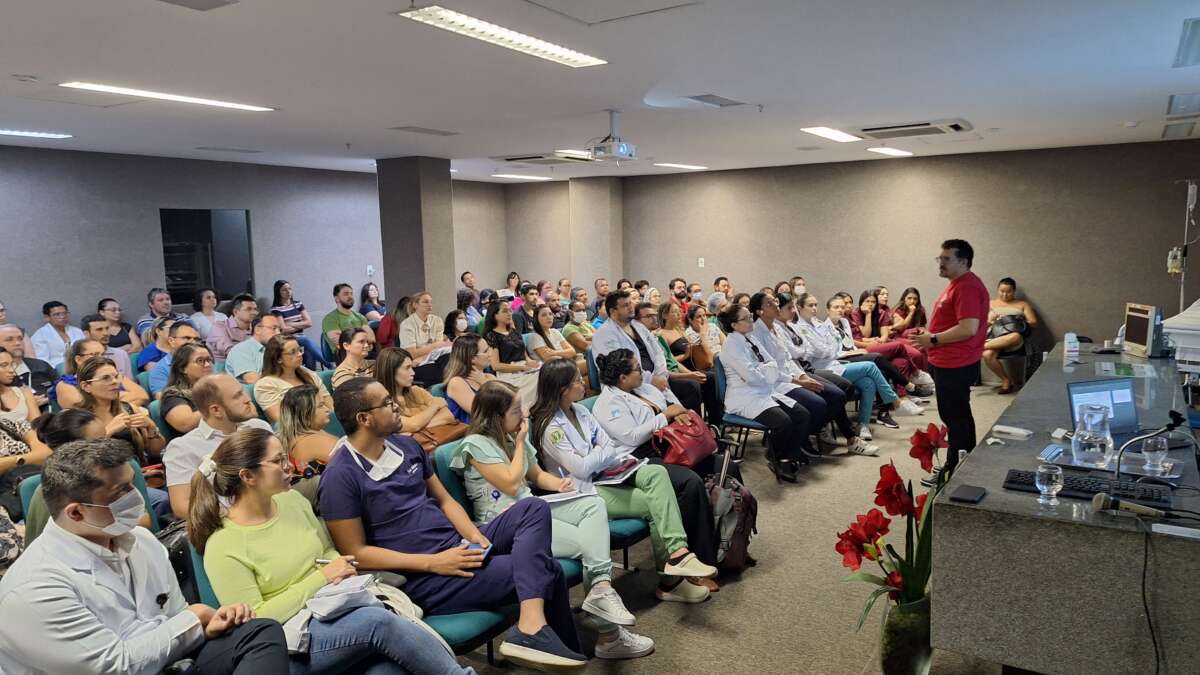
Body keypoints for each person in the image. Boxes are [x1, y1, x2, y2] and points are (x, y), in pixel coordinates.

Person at [318, 378, 587, 670]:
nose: (398, 407)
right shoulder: (340, 476)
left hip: (458, 545)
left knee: (532, 508)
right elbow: (356, 553)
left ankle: (532, 628)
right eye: (387, 403)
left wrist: (477, 538)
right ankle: (547, 642)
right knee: (548, 570)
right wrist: (433, 563)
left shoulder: (406, 446)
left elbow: (445, 501)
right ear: (364, 419)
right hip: (423, 574)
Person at [189, 427, 471, 675]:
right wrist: (322, 577)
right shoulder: (223, 545)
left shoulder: (291, 501)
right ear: (248, 476)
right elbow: (258, 623)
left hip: (333, 607)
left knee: (386, 668)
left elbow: (325, 550)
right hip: (286, 643)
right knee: (377, 623)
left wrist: (342, 569)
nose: (289, 466)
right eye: (277, 461)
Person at [0, 439, 290, 674]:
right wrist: (193, 620)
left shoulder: (140, 540)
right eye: (121, 491)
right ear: (76, 512)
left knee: (258, 632)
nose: (137, 496)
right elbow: (115, 666)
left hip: (166, 661)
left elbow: (175, 615)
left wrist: (205, 626)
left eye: (132, 483)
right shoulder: (33, 588)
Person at [451, 380, 654, 659]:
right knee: (589, 545)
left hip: (534, 507)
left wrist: (558, 485)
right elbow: (510, 484)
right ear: (496, 416)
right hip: (506, 523)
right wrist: (521, 441)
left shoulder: (510, 437)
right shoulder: (475, 445)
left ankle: (601, 592)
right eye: (515, 411)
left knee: (592, 504)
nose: (523, 416)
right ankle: (609, 633)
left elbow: (534, 476)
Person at [532, 358, 718, 604]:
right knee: (656, 504)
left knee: (657, 473)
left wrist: (596, 454)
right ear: (561, 389)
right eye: (577, 381)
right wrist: (598, 453)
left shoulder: (581, 410)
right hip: (583, 490)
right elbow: (581, 467)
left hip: (610, 471)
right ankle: (670, 580)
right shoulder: (549, 426)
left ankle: (678, 552)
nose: (583, 384)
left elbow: (606, 446)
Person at [592, 349, 733, 587]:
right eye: (637, 369)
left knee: (722, 465)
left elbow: (672, 406)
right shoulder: (608, 403)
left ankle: (730, 544)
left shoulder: (643, 388)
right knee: (690, 483)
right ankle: (697, 562)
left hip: (666, 444)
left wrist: (679, 415)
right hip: (637, 457)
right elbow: (631, 437)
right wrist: (665, 416)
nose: (643, 371)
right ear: (622, 378)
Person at [751, 293, 879, 457]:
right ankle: (802, 439)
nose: (776, 306)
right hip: (779, 382)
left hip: (797, 372)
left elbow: (791, 357)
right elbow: (774, 366)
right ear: (760, 311)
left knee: (838, 394)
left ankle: (830, 437)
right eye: (771, 304)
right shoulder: (757, 333)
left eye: (776, 303)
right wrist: (799, 379)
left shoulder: (775, 328)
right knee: (820, 403)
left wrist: (801, 376)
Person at [909, 239, 990, 473]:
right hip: (948, 361)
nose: (941, 263)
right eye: (940, 258)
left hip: (956, 363)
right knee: (958, 416)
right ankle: (964, 463)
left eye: (946, 259)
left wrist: (932, 339)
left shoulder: (967, 287)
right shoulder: (957, 284)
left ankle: (954, 469)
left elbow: (968, 328)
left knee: (955, 418)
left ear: (963, 261)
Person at [23, 409, 154, 545]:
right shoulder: (55, 494)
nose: (109, 445)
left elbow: (144, 519)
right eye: (98, 442)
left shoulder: (119, 472)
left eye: (107, 436)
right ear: (69, 452)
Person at [718, 304, 814, 482]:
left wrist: (764, 370)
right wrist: (766, 371)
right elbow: (751, 377)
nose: (751, 320)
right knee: (782, 422)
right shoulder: (731, 347)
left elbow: (771, 364)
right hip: (745, 398)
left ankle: (788, 452)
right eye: (746, 318)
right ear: (734, 325)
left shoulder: (750, 339)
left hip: (764, 391)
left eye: (750, 316)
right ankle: (778, 458)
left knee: (802, 415)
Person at [791, 293, 907, 440]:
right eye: (810, 305)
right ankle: (895, 401)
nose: (814, 308)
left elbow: (830, 348)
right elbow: (818, 351)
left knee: (868, 383)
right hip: (821, 369)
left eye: (815, 305)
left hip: (834, 362)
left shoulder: (817, 323)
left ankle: (863, 425)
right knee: (870, 365)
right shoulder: (799, 327)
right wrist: (828, 349)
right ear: (800, 307)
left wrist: (828, 349)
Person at [164, 374, 273, 520]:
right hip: (230, 523)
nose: (247, 399)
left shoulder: (259, 426)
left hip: (275, 502)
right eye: (237, 396)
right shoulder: (183, 448)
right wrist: (233, 515)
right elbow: (182, 506)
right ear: (216, 410)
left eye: (243, 391)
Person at [375, 347, 466, 451]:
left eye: (412, 367)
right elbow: (413, 425)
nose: (413, 373)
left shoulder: (417, 391)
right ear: (390, 371)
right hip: (411, 452)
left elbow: (448, 416)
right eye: (407, 368)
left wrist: (417, 427)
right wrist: (434, 406)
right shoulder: (381, 404)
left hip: (438, 443)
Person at [645, 302, 720, 426]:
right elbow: (669, 361)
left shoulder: (680, 331)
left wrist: (691, 371)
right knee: (694, 383)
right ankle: (697, 424)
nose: (678, 314)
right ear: (664, 315)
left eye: (679, 311)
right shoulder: (660, 335)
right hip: (675, 372)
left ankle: (716, 422)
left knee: (712, 377)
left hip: (688, 367)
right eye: (674, 312)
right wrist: (685, 359)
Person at [850, 290, 928, 380]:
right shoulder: (856, 313)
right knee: (907, 348)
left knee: (903, 361)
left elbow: (885, 334)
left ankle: (912, 386)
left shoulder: (882, 312)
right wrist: (868, 314)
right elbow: (865, 335)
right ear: (861, 302)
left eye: (873, 302)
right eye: (867, 301)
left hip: (882, 342)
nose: (870, 304)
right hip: (871, 345)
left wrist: (882, 339)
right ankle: (917, 374)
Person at [255, 335, 333, 423]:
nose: (300, 354)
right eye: (293, 352)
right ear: (278, 359)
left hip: (324, 422)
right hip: (298, 432)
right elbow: (281, 421)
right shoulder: (265, 385)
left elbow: (329, 403)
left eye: (300, 350)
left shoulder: (307, 372)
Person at [55, 338, 149, 409]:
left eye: (103, 354)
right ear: (79, 359)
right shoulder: (64, 385)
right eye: (95, 355)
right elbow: (88, 408)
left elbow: (142, 395)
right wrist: (123, 395)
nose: (101, 358)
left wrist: (108, 402)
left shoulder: (114, 375)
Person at [983, 277, 1039, 394]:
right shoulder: (990, 303)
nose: (1005, 294)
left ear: (1014, 291)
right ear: (997, 290)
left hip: (1012, 340)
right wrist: (991, 320)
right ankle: (1006, 380)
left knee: (1016, 336)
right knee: (987, 355)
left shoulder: (1022, 304)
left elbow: (1033, 322)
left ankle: (978, 346)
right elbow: (979, 325)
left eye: (1008, 291)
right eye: (1002, 291)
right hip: (994, 337)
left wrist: (1016, 320)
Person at [482, 300, 540, 412]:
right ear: (495, 315)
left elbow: (524, 356)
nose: (509, 313)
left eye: (510, 310)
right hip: (508, 373)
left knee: (549, 371)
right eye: (505, 311)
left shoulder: (514, 331)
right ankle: (528, 411)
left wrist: (529, 361)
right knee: (540, 378)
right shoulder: (491, 335)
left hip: (525, 369)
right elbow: (496, 366)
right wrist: (521, 367)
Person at [269, 279, 330, 371]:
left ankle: (312, 376)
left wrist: (291, 323)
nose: (288, 292)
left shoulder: (298, 304)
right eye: (284, 290)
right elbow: (284, 329)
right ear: (278, 292)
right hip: (288, 339)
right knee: (305, 340)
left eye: (289, 289)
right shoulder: (276, 309)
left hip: (301, 338)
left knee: (309, 351)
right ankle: (330, 365)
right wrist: (301, 324)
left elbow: (309, 323)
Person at [278, 384, 339, 470]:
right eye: (321, 406)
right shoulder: (314, 441)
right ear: (305, 415)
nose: (327, 409)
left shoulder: (293, 435)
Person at [159, 343, 215, 435]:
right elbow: (186, 424)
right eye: (200, 361)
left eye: (209, 360)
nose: (207, 364)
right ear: (182, 368)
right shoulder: (173, 395)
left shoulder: (216, 388)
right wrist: (222, 405)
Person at [399, 291, 453, 385]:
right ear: (415, 305)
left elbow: (439, 349)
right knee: (443, 371)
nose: (429, 305)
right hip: (414, 365)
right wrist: (435, 345)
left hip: (431, 359)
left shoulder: (437, 320)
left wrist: (422, 354)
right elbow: (411, 354)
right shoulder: (407, 324)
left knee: (450, 359)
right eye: (425, 302)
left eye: (431, 302)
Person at [443, 334, 496, 425]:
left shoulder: (489, 377)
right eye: (485, 351)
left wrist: (485, 381)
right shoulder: (457, 383)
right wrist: (486, 384)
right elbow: (482, 413)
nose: (490, 354)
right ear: (472, 358)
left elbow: (509, 403)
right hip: (472, 433)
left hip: (493, 428)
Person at [0, 324, 54, 409]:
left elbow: (62, 388)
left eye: (20, 339)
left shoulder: (41, 365)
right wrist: (24, 404)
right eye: (9, 340)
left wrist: (49, 398)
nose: (17, 343)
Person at [149, 320, 203, 395]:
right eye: (187, 338)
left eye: (196, 339)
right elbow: (162, 398)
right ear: (171, 341)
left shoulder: (205, 363)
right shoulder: (160, 369)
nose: (193, 342)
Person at [225, 314, 283, 384]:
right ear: (258, 330)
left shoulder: (276, 348)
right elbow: (252, 380)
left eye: (279, 329)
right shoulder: (241, 350)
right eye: (274, 328)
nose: (278, 333)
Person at [322, 283, 375, 357]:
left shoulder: (360, 317)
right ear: (337, 298)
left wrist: (356, 341)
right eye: (346, 294)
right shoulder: (330, 319)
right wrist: (364, 341)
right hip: (345, 355)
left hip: (366, 353)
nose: (350, 296)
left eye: (351, 294)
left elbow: (371, 338)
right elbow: (341, 341)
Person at [32, 301, 87, 369]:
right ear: (47, 317)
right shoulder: (40, 335)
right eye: (57, 314)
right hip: (55, 370)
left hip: (81, 367)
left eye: (65, 313)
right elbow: (42, 360)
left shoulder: (77, 331)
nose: (62, 317)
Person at [81, 312, 133, 379]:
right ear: (86, 334)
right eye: (99, 329)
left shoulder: (121, 354)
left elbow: (130, 382)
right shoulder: (82, 357)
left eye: (107, 328)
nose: (106, 333)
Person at [206, 293, 258, 362]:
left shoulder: (257, 328)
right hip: (222, 368)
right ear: (236, 312)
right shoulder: (219, 327)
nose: (254, 312)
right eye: (249, 309)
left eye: (255, 309)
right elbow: (231, 352)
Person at [0, 346, 41, 426]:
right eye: (4, 365)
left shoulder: (24, 392)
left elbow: (36, 428)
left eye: (12, 365)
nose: (11, 370)